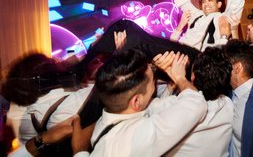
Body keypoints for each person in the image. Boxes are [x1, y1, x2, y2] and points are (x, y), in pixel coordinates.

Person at [71, 49, 207, 157]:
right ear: (136, 101)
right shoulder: (136, 137)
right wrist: (179, 77)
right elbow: (195, 103)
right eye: (152, 76)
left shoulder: (108, 115)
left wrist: (80, 152)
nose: (154, 73)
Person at [151, 47, 233, 157]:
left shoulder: (174, 106)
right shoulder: (228, 104)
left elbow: (144, 107)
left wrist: (154, 69)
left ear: (192, 76)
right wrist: (175, 83)